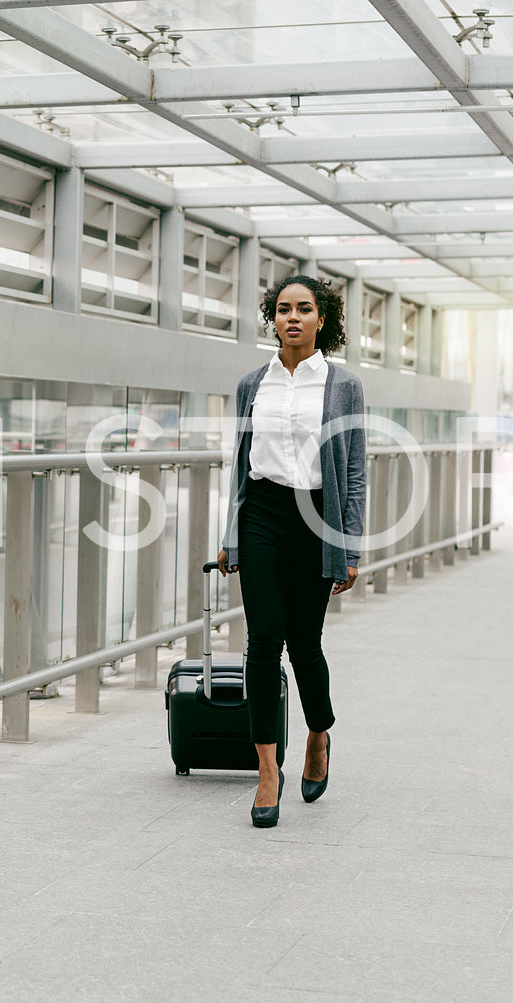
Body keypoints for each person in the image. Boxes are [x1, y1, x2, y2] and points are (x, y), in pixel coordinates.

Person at [217, 274, 366, 829]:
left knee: (305, 645)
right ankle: (266, 771)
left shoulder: (342, 385)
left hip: (315, 519)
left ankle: (319, 735)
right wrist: (232, 534)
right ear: (272, 319)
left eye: (305, 309)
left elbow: (353, 471)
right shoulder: (252, 384)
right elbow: (238, 466)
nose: (293, 318)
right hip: (262, 515)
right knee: (261, 645)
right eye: (283, 309)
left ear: (322, 320)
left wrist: (348, 546)